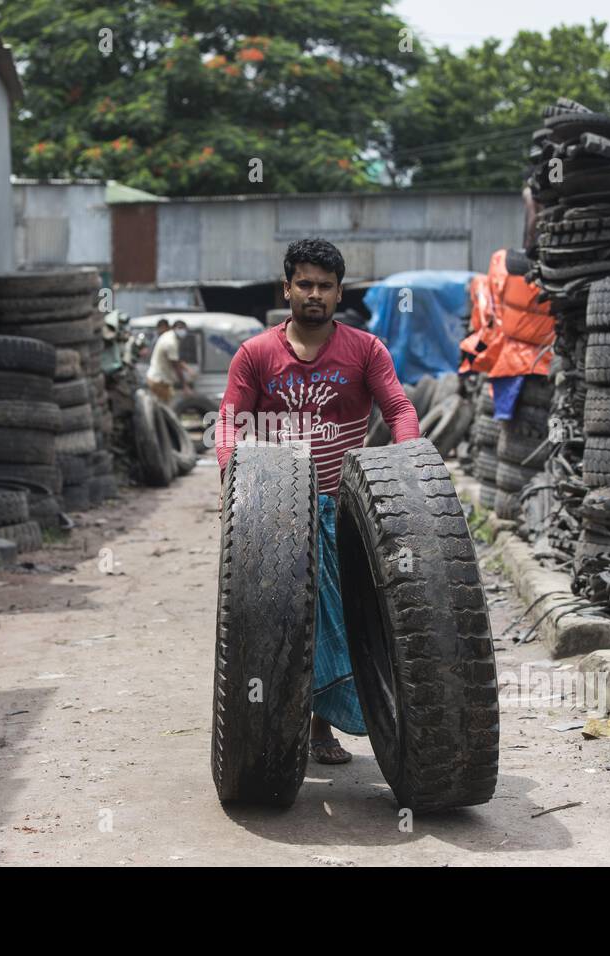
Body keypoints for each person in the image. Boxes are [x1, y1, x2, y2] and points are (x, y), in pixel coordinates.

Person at [215, 237, 420, 764]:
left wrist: (411, 464)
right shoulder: (256, 354)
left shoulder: (366, 350)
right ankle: (274, 728)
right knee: (280, 621)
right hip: (275, 516)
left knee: (345, 618)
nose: (314, 294)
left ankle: (320, 727)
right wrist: (235, 486)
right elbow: (230, 424)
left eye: (324, 286)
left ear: (338, 292)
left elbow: (398, 409)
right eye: (304, 284)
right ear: (286, 288)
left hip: (346, 510)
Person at [146, 318, 192, 404]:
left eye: (183, 328)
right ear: (173, 328)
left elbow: (175, 359)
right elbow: (175, 365)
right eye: (179, 328)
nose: (182, 331)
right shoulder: (170, 342)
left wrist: (186, 368)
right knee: (166, 407)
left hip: (156, 378)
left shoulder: (169, 336)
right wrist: (185, 386)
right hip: (159, 380)